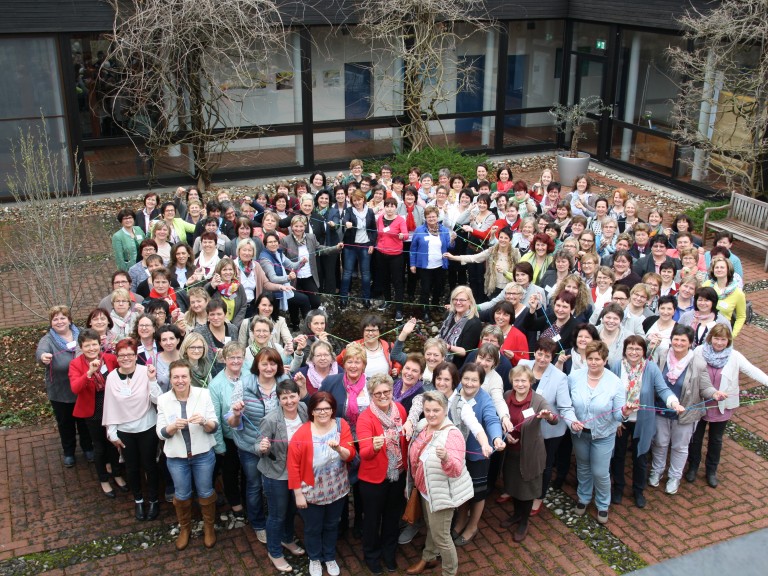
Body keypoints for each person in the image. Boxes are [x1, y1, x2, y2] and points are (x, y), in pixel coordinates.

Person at [608, 336, 684, 508]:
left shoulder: (650, 368)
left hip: (642, 421)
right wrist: (616, 419)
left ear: (644, 351)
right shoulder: (617, 366)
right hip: (621, 420)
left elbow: (663, 389)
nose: (634, 352)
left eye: (638, 349)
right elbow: (609, 393)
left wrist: (674, 402)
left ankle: (638, 490)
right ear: (625, 351)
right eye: (630, 349)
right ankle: (618, 488)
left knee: (640, 458)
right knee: (618, 456)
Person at [688, 324, 768, 487]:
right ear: (711, 338)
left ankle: (711, 470)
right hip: (700, 402)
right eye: (716, 338)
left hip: (721, 405)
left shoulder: (735, 356)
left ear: (728, 340)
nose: (719, 343)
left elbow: (752, 370)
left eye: (723, 339)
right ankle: (693, 467)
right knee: (695, 438)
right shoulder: (699, 351)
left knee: (716, 439)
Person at [405, 390, 474, 576]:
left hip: (441, 494)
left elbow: (456, 470)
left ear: (445, 409)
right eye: (427, 410)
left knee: (442, 537)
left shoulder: (452, 434)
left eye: (436, 410)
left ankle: (449, 572)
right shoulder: (423, 425)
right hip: (425, 490)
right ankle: (428, 558)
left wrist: (445, 459)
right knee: (432, 529)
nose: (431, 414)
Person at [288, 392, 356, 576]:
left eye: (327, 408)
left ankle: (329, 556)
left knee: (332, 524)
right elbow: (292, 466)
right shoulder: (302, 433)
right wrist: (298, 493)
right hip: (312, 491)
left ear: (333, 409)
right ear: (311, 411)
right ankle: (315, 558)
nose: (323, 412)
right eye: (318, 409)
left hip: (337, 489)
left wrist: (339, 448)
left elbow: (350, 454)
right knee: (312, 527)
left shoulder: (341, 426)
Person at [229, 348, 290, 544]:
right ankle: (258, 524)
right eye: (264, 363)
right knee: (254, 485)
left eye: (273, 363)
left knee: (277, 484)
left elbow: (296, 406)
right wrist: (237, 413)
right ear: (257, 365)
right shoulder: (244, 384)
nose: (269, 368)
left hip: (277, 446)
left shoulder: (284, 381)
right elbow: (232, 422)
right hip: (249, 444)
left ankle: (278, 521)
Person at [156, 360, 219, 550]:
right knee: (182, 494)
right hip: (176, 458)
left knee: (206, 492)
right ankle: (185, 528)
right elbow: (160, 432)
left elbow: (214, 427)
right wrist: (172, 427)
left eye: (184, 376)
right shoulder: (163, 399)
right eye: (176, 377)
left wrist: (204, 421)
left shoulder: (204, 394)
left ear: (190, 377)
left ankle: (209, 527)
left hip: (202, 455)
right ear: (170, 378)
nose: (180, 380)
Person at [649, 324, 713, 495]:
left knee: (679, 447)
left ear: (690, 343)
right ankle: (657, 471)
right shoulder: (662, 356)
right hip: (660, 409)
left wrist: (716, 394)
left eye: (683, 340)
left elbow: (705, 388)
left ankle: (674, 476)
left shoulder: (698, 363)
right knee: (660, 443)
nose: (678, 343)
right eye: (675, 339)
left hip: (685, 413)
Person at [102, 338, 162, 520]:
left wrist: (152, 381)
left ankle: (153, 500)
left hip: (146, 427)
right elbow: (110, 405)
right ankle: (138, 500)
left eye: (130, 354)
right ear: (117, 358)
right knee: (131, 467)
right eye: (122, 355)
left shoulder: (146, 372)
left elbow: (158, 400)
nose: (126, 358)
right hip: (125, 430)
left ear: (136, 356)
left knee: (150, 465)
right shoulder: (112, 377)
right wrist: (112, 433)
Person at [569, 341, 627, 523]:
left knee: (600, 472)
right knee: (583, 467)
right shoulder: (574, 377)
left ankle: (603, 504)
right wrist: (572, 421)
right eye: (590, 358)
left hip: (603, 434)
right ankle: (584, 497)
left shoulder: (615, 383)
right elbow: (567, 405)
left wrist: (625, 413)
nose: (593, 362)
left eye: (598, 359)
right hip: (580, 434)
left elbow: (618, 414)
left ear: (605, 360)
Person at [357, 374, 408, 574]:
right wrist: (375, 447)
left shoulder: (400, 410)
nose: (383, 395)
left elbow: (405, 441)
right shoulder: (365, 418)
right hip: (373, 479)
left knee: (392, 517)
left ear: (391, 391)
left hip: (397, 474)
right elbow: (364, 453)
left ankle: (389, 552)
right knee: (371, 519)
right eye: (378, 393)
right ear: (371, 395)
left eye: (386, 391)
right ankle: (371, 555)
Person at [499, 365, 558, 542]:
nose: (520, 384)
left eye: (524, 380)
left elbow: (554, 420)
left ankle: (524, 522)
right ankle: (517, 515)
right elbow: (500, 418)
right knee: (513, 485)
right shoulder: (507, 395)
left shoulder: (538, 400)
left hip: (530, 454)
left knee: (526, 489)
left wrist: (548, 416)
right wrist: (506, 434)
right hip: (510, 452)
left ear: (531, 381)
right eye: (516, 380)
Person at [517, 338, 576, 514]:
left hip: (549, 430)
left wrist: (573, 422)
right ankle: (518, 490)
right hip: (525, 426)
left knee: (545, 465)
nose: (542, 359)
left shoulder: (559, 377)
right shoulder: (522, 364)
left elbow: (565, 406)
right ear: (534, 353)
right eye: (540, 354)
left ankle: (539, 497)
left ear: (553, 357)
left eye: (547, 356)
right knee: (521, 458)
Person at [450, 363, 505, 546]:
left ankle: (472, 525)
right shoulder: (454, 391)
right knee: (462, 489)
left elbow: (491, 420)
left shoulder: (485, 399)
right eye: (466, 378)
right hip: (457, 452)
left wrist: (496, 438)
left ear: (481, 382)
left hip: (478, 454)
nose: (469, 383)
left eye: (474, 380)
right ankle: (460, 520)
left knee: (477, 492)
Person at [257, 380, 309, 572]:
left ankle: (287, 539)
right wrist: (262, 447)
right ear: (278, 400)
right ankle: (274, 551)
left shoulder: (303, 409)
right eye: (284, 397)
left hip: (298, 471)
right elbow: (258, 445)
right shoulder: (271, 419)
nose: (289, 401)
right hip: (277, 473)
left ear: (298, 396)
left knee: (291, 510)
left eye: (292, 396)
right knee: (277, 515)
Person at [68, 328, 125, 497]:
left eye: (94, 344)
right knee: (99, 446)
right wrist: (89, 373)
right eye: (87, 346)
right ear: (81, 347)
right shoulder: (76, 364)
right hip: (93, 410)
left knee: (113, 442)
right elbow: (75, 388)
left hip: (112, 406)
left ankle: (117, 473)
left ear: (100, 344)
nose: (92, 348)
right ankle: (103, 479)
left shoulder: (109, 359)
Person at [36, 305, 94, 468]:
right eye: (55, 319)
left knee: (84, 422)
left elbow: (94, 344)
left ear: (69, 320)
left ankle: (88, 448)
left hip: (82, 388)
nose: (59, 321)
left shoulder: (82, 334)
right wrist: (43, 357)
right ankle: (69, 452)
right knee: (66, 424)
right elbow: (40, 352)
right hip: (61, 392)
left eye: (63, 318)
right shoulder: (48, 340)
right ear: (51, 323)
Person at [208, 342, 247, 520]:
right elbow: (215, 416)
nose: (236, 361)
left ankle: (248, 498)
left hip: (248, 434)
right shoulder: (216, 385)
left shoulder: (250, 376)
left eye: (239, 357)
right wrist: (219, 445)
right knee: (230, 471)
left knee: (248, 471)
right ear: (224, 359)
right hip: (229, 436)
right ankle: (234, 500)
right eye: (232, 357)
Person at [443, 226, 521, 300]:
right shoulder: (491, 251)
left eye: (506, 238)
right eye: (501, 237)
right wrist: (453, 257)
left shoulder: (516, 253)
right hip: (493, 288)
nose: (503, 240)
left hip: (510, 289)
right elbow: (473, 258)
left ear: (510, 240)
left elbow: (520, 271)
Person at [340, 189, 377, 308]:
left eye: (359, 199)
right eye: (354, 200)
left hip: (365, 245)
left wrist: (372, 244)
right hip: (350, 246)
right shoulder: (349, 211)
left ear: (363, 199)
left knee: (366, 274)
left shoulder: (370, 211)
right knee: (347, 273)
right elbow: (345, 219)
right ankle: (343, 298)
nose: (357, 202)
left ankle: (366, 298)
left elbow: (373, 230)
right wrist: (346, 223)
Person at [375, 197, 409, 320]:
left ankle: (399, 308)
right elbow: (378, 235)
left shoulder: (400, 220)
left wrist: (402, 236)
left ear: (396, 207)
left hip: (396, 256)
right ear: (384, 207)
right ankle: (388, 300)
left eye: (392, 206)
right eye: (387, 206)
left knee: (397, 282)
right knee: (384, 279)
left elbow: (406, 235)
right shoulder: (379, 219)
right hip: (381, 254)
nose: (389, 209)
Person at [701, 256, 747, 338]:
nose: (719, 269)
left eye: (722, 267)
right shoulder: (706, 285)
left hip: (722, 334)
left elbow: (741, 316)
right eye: (716, 267)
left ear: (728, 270)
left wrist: (732, 335)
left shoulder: (738, 293)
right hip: (703, 329)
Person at [438, 286, 483, 368]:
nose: (458, 303)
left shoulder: (474, 323)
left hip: (458, 366)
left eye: (462, 300)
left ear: (470, 302)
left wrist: (449, 347)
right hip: (439, 357)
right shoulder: (449, 314)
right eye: (455, 299)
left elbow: (465, 352)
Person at [193, 299, 239, 379]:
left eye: (219, 314)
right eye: (212, 314)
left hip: (232, 376)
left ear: (225, 314)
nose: (215, 317)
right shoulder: (199, 332)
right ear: (208, 316)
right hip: (207, 377)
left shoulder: (233, 329)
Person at [205, 257, 247, 329]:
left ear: (234, 271)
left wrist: (234, 325)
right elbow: (204, 298)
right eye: (224, 270)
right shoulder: (213, 285)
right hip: (216, 325)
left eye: (230, 269)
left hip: (235, 326)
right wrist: (212, 286)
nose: (228, 272)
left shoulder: (238, 287)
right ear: (219, 272)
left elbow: (243, 306)